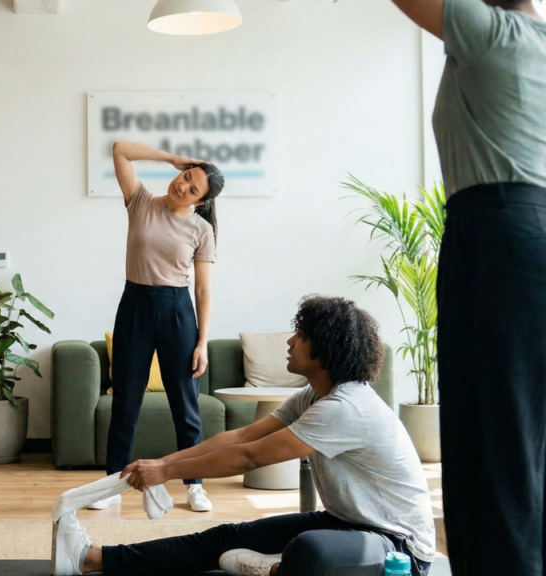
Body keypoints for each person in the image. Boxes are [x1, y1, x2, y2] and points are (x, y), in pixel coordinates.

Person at [55, 296, 436, 576]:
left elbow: (250, 458)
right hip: (344, 522)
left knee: (310, 551)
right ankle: (93, 559)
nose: (289, 341)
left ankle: (273, 571)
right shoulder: (313, 396)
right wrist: (163, 463)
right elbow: (240, 438)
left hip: (399, 549)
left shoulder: (345, 408)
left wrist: (167, 475)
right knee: (229, 534)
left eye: (299, 335)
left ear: (325, 350)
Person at [382, 0, 546, 573]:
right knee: (520, 439)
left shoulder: (492, 30)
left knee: (491, 441)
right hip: (521, 230)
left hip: (498, 233)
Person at [86, 142, 224, 513]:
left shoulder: (200, 230)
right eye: (186, 176)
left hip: (178, 311)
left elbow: (203, 287)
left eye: (193, 188)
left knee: (186, 405)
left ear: (200, 202)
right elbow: (119, 150)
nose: (183, 186)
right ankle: (112, 482)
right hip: (134, 306)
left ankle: (194, 485)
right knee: (125, 401)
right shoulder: (141, 201)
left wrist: (203, 340)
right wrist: (172, 157)